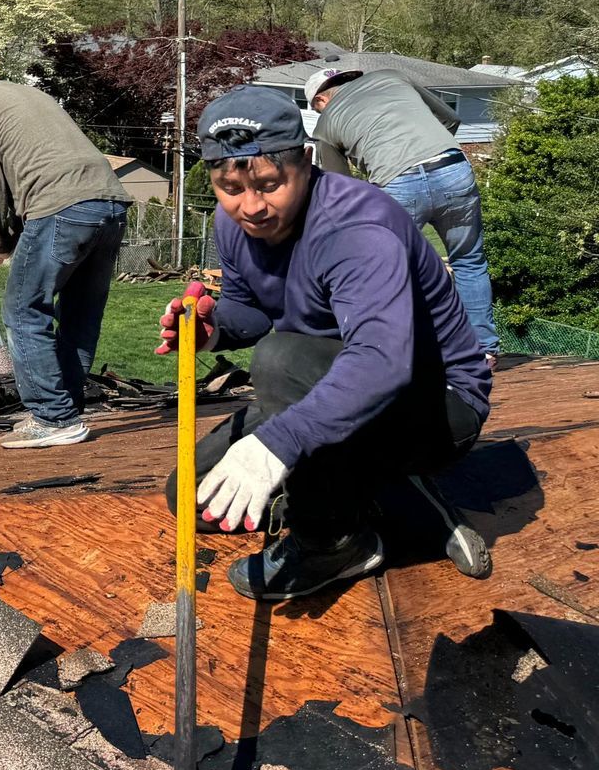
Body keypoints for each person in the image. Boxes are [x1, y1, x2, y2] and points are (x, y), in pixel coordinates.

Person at [160, 85, 493, 601]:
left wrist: (279, 443)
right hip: (322, 383)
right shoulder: (236, 225)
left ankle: (336, 543)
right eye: (230, 188)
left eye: (270, 184)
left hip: (435, 403)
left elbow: (381, 362)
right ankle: (385, 492)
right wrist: (213, 328)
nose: (252, 207)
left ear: (306, 162)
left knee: (280, 359)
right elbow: (252, 310)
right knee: (192, 501)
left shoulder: (359, 225)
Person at [0, 50, 131, 449]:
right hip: (111, 204)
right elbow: (36, 169)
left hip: (61, 208)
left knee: (24, 309)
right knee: (80, 315)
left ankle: (53, 417)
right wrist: (9, 239)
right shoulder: (33, 96)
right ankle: (67, 412)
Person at [305, 65, 500, 364]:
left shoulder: (326, 123)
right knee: (469, 261)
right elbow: (451, 117)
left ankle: (398, 353)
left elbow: (340, 185)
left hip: (397, 183)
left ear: (320, 101)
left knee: (390, 270)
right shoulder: (391, 76)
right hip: (452, 169)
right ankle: (483, 350)